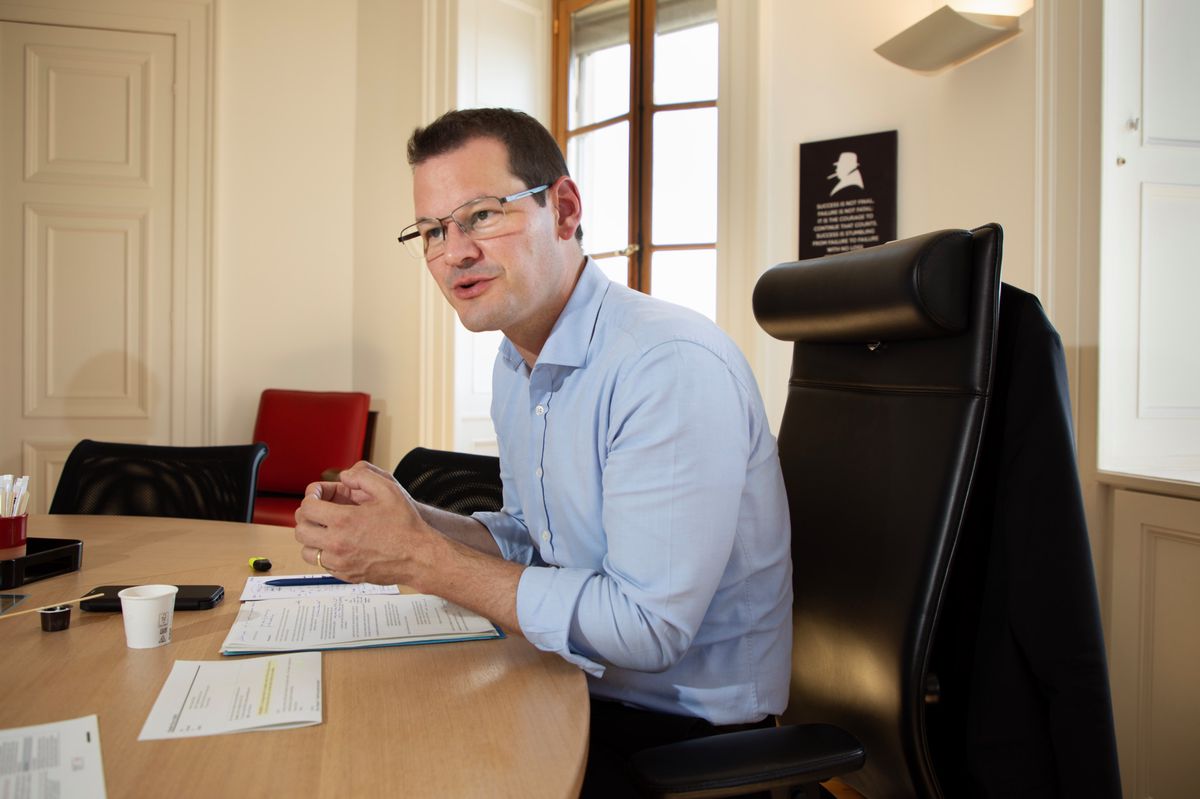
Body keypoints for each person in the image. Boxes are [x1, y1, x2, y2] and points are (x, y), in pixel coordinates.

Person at [293, 107, 793, 795]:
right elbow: (532, 541)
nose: (453, 252)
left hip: (677, 736)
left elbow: (647, 629)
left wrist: (419, 557)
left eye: (480, 215)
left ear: (563, 209)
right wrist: (413, 518)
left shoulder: (667, 365)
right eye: (433, 230)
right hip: (568, 680)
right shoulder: (515, 363)